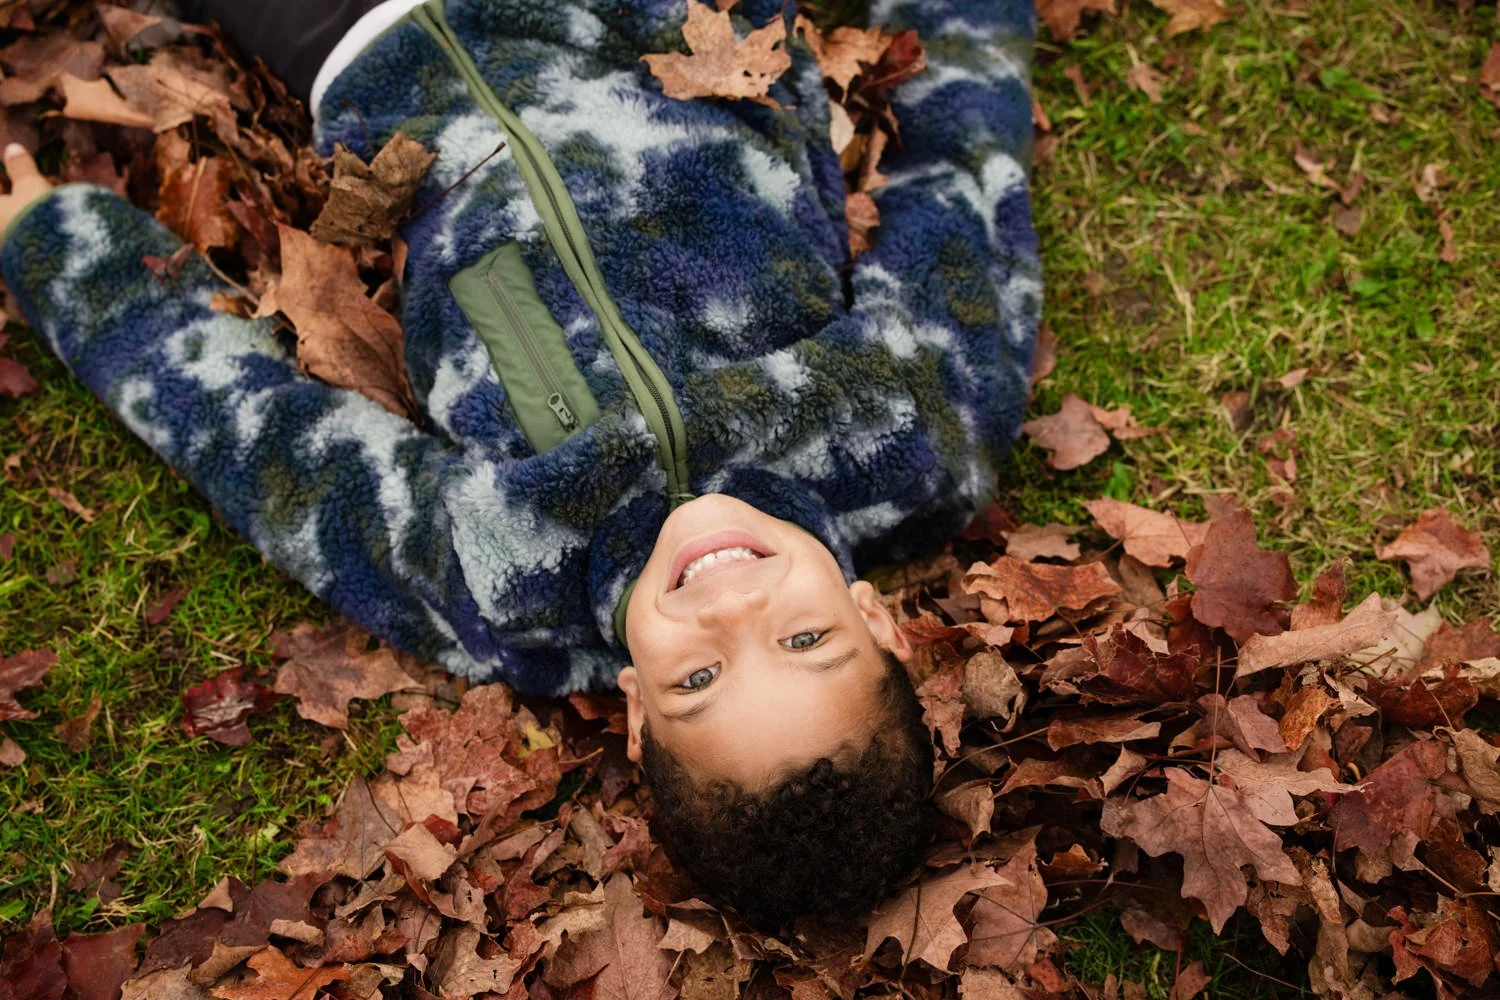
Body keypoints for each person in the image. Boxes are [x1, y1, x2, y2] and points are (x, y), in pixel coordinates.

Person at [0, 0, 1040, 929]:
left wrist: (63, 253)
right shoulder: (913, 436)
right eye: (805, 638)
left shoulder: (506, 579)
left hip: (376, 48)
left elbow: (265, 447)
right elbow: (963, 172)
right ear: (877, 622)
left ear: (637, 713)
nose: (731, 605)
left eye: (699, 678)